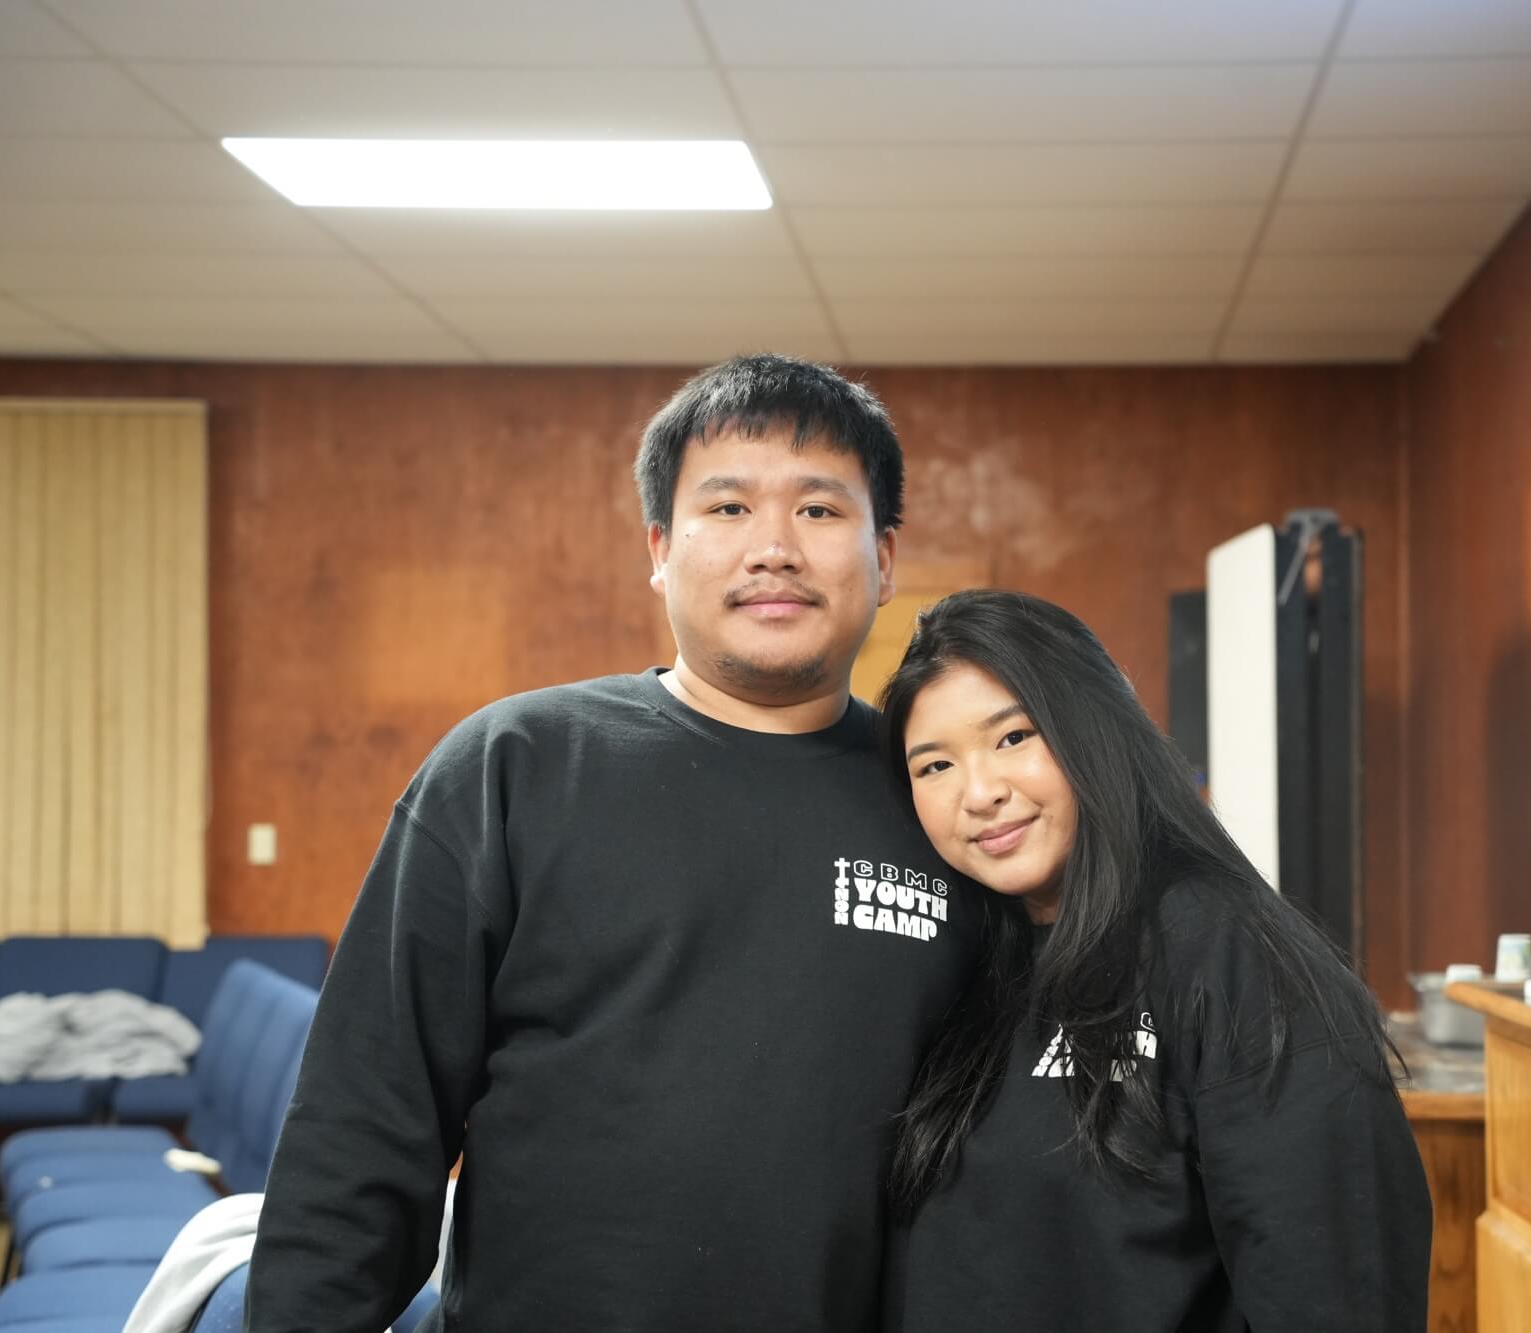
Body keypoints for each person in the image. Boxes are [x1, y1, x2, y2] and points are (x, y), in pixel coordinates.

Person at [247, 355, 982, 1331]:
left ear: (883, 560)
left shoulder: (947, 807)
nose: (773, 548)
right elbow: (365, 1125)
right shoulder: (515, 767)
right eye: (727, 508)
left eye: (817, 509)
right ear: (659, 549)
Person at [879, 589, 1430, 1333]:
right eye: (936, 765)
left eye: (1013, 737)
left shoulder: (1231, 953)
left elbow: (1337, 1290)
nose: (979, 793)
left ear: (1096, 728)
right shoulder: (956, 963)